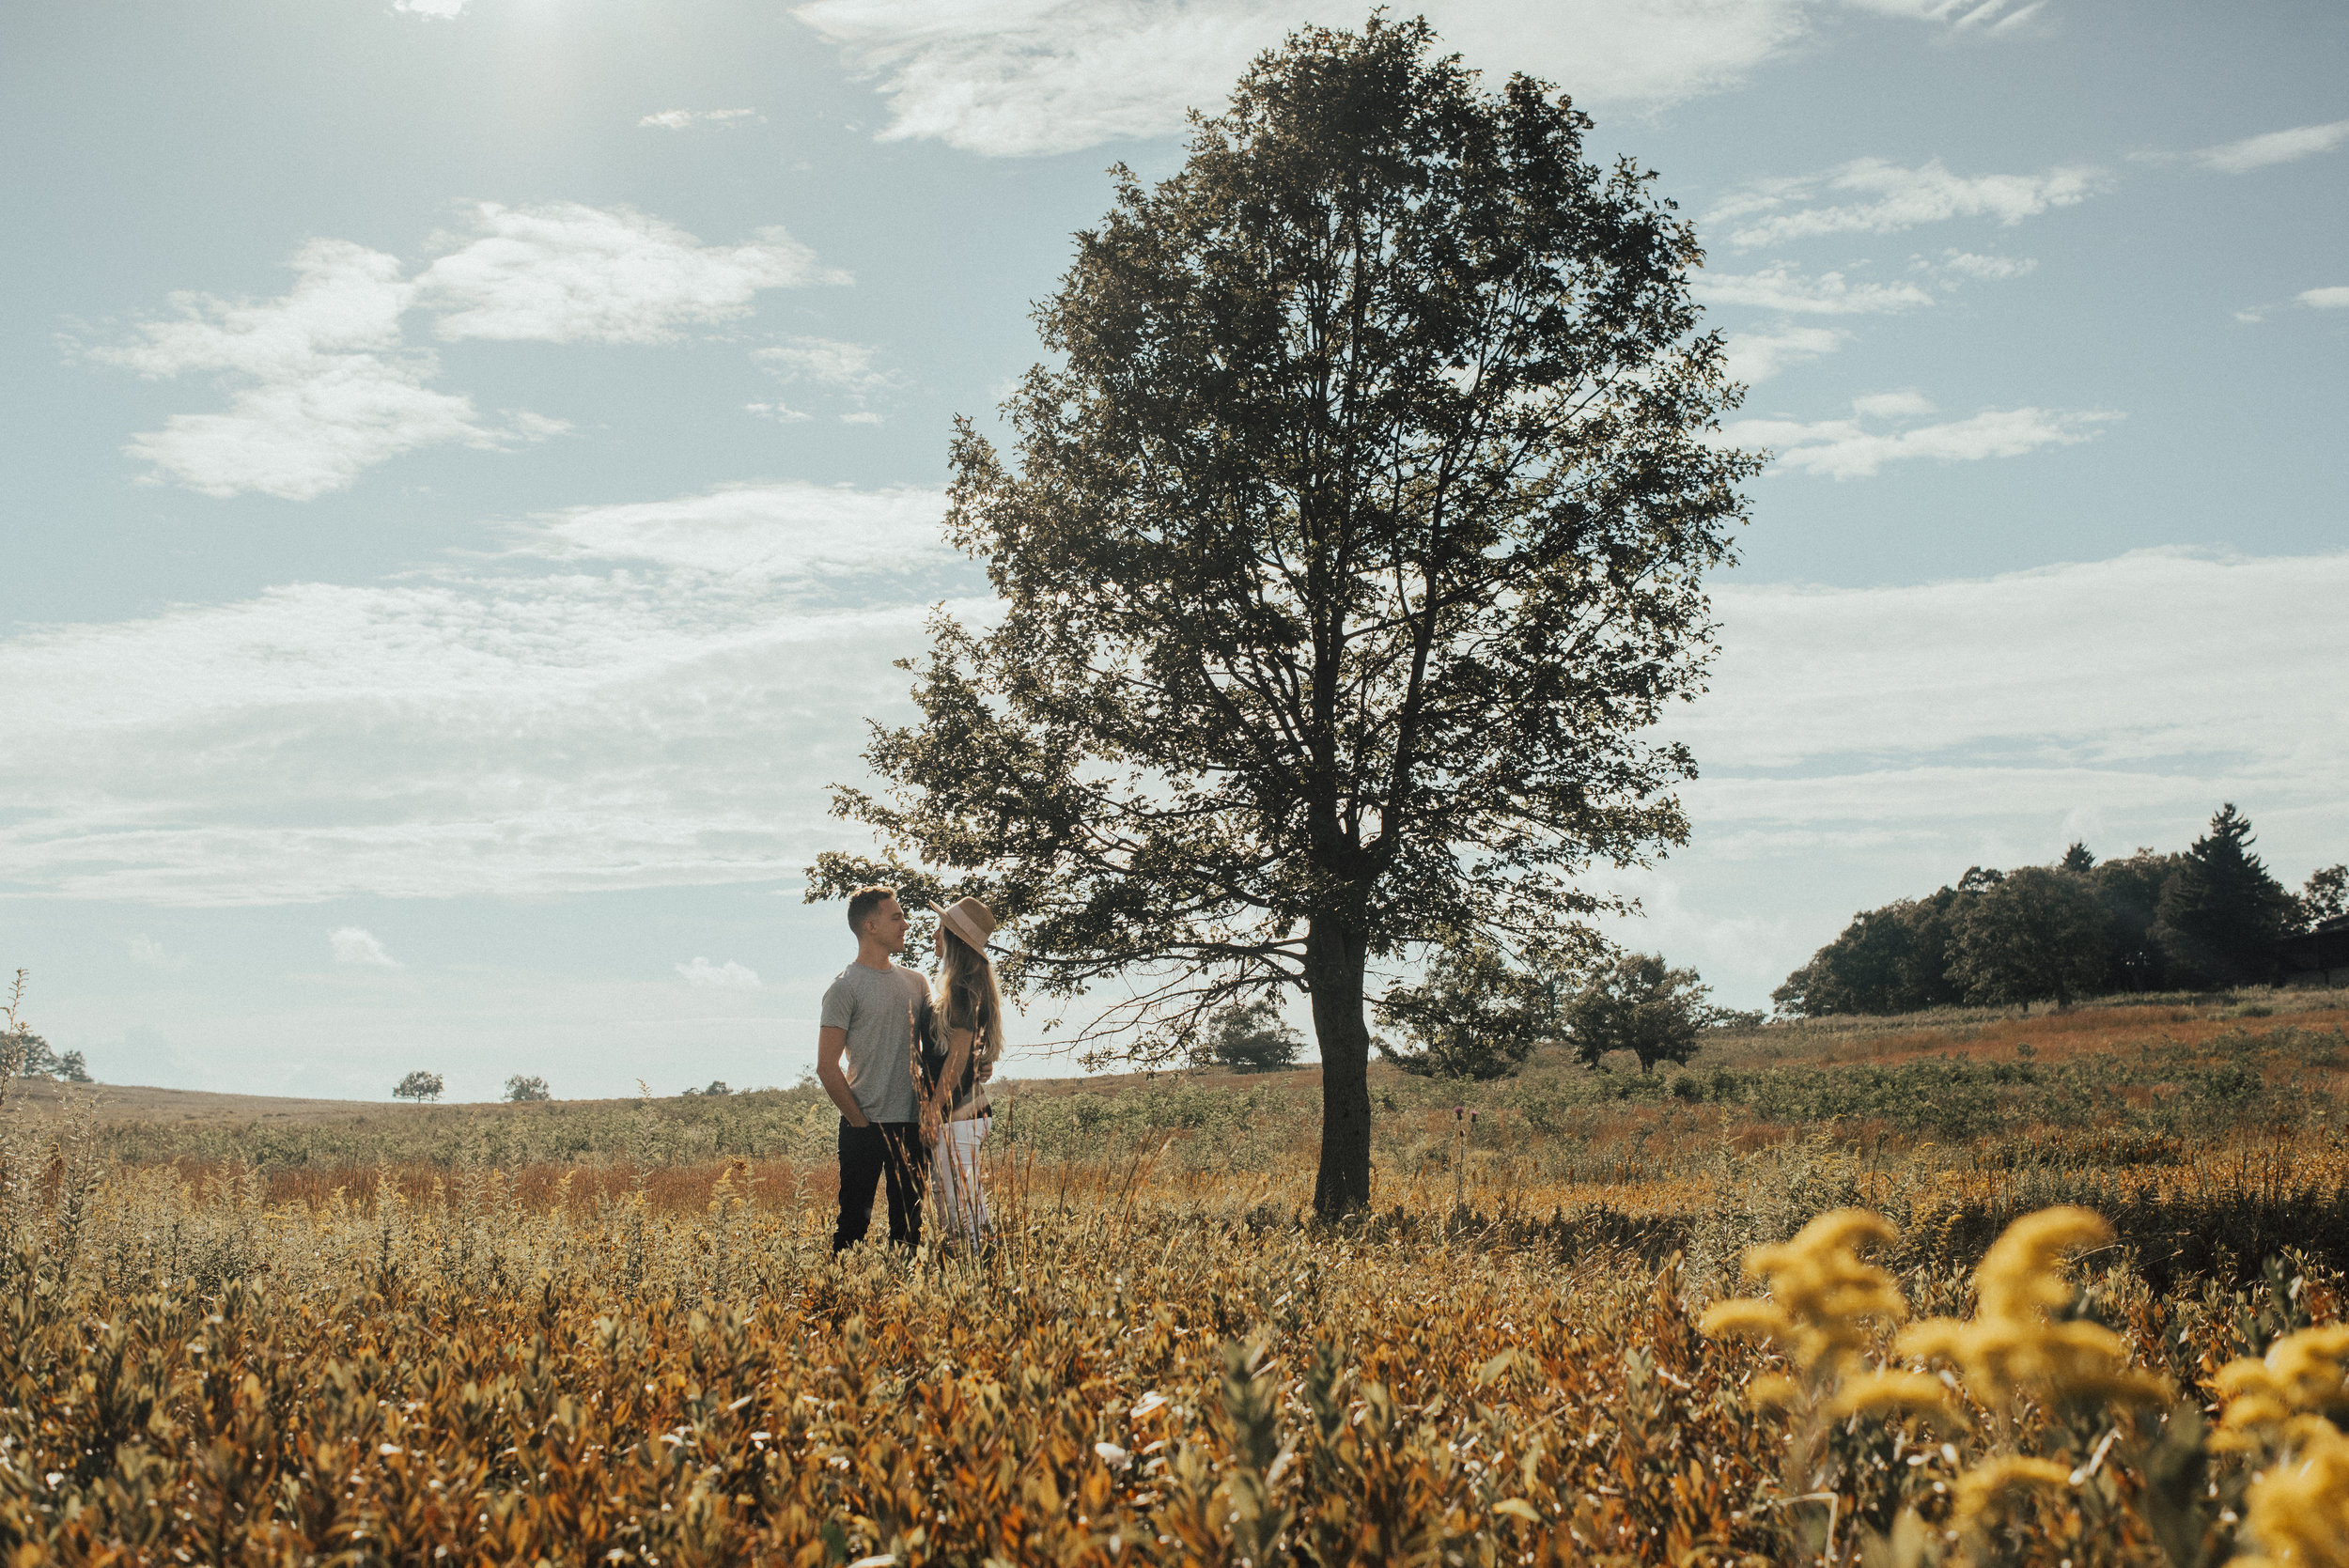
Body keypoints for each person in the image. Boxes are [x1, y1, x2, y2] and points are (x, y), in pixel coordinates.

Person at [817, 887, 931, 1252]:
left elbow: (941, 1045)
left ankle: (903, 1305)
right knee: (852, 1227)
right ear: (870, 926)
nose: (905, 924)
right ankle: (839, 1302)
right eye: (895, 917)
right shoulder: (844, 988)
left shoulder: (917, 983)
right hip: (863, 1124)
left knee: (909, 1232)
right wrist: (859, 1121)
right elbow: (826, 1066)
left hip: (913, 1124)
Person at [921, 895, 1004, 1251]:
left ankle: (977, 1264)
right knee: (955, 1194)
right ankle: (977, 1258)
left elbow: (956, 1058)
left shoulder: (961, 989)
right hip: (966, 1113)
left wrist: (932, 1109)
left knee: (958, 1198)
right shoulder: (968, 985)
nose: (934, 936)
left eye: (940, 930)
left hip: (959, 1114)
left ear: (953, 938)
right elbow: (965, 1056)